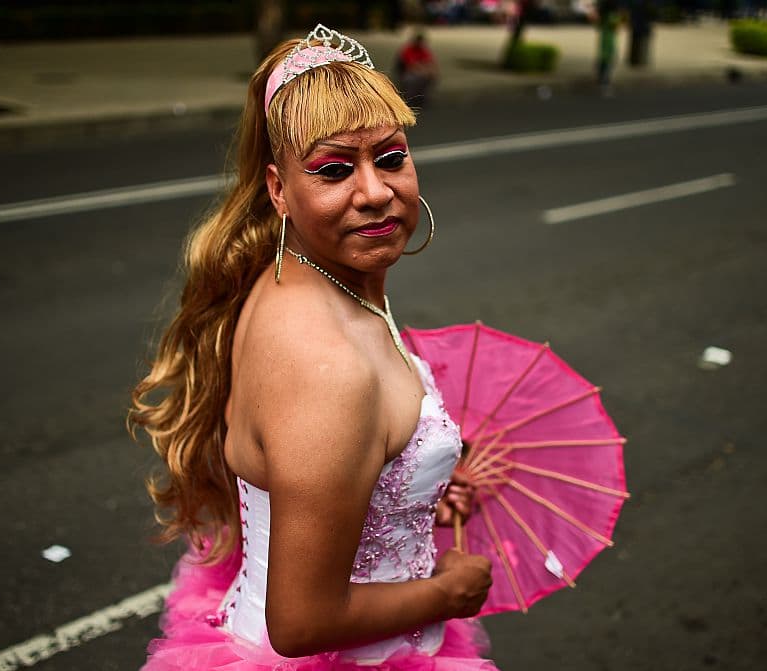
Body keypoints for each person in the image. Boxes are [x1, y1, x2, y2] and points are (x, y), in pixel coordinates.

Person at [129, 23, 497, 671]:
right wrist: (448, 592)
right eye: (333, 169)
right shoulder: (326, 365)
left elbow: (317, 470)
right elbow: (302, 622)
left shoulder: (304, 279)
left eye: (391, 157)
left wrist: (412, 497)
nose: (375, 192)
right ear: (278, 190)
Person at [396, 31, 438, 109]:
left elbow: (430, 62)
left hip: (420, 72)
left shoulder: (423, 50)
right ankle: (410, 100)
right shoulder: (408, 50)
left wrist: (430, 71)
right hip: (406, 72)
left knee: (426, 78)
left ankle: (420, 98)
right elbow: (411, 66)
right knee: (412, 80)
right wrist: (424, 71)